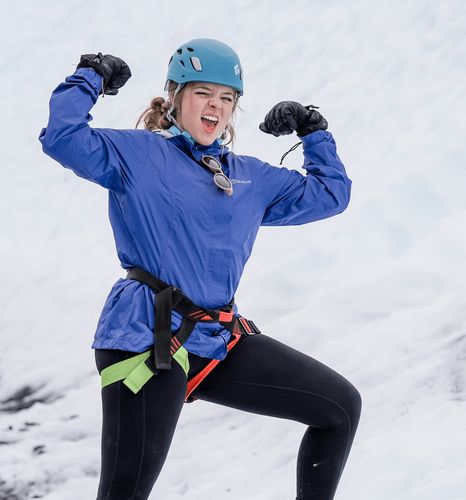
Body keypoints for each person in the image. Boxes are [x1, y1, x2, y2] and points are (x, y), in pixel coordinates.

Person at [39, 38, 362, 500]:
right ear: (176, 97)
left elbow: (331, 195)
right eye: (203, 93)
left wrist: (313, 133)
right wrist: (90, 76)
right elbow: (63, 138)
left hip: (217, 338)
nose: (216, 106)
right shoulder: (137, 155)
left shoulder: (249, 178)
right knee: (125, 492)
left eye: (227, 98)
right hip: (144, 336)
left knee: (340, 408)